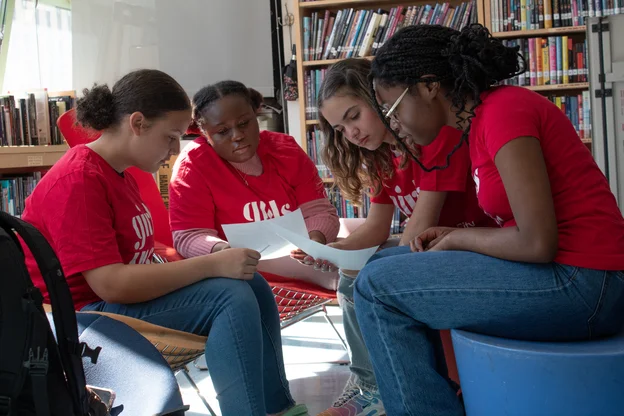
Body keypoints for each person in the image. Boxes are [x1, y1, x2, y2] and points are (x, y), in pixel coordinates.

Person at [353, 24, 624, 416]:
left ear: (428, 86)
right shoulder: (480, 119)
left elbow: (537, 243)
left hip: (587, 283)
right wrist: (450, 235)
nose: (394, 125)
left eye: (392, 109)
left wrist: (458, 239)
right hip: (577, 276)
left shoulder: (503, 112)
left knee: (375, 289)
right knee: (382, 265)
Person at [20, 69, 309, 416]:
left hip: (112, 304)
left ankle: (277, 408)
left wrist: (213, 266)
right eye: (170, 137)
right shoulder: (79, 180)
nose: (175, 149)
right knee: (229, 296)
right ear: (138, 123)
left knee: (253, 283)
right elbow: (111, 284)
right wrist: (211, 264)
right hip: (81, 318)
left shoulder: (119, 173)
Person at [313, 58, 494, 415]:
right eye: (339, 127)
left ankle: (374, 387)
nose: (350, 132)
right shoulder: (382, 157)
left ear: (380, 97)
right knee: (348, 278)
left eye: (354, 116)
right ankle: (374, 384)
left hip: (474, 246)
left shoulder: (431, 139)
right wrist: (332, 251)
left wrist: (362, 265)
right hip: (436, 247)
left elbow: (417, 228)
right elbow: (376, 228)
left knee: (363, 279)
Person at [168, 80, 340, 275]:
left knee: (353, 275)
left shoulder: (286, 150)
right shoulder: (192, 165)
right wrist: (225, 253)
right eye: (222, 132)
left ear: (255, 116)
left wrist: (314, 241)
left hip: (300, 265)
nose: (237, 136)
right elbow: (189, 236)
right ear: (204, 134)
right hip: (235, 273)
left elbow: (319, 211)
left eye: (244, 123)